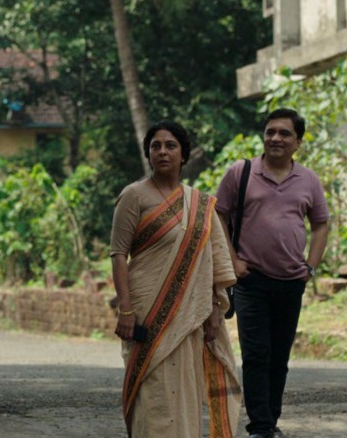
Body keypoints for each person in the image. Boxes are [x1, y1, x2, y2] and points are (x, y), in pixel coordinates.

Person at [110, 120, 241, 438]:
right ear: (148, 154)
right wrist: (125, 309)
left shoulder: (201, 204)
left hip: (190, 315)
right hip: (146, 310)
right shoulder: (134, 196)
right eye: (156, 146)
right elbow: (118, 254)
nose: (163, 151)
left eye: (171, 145)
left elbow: (216, 261)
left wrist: (214, 308)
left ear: (183, 154)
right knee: (152, 391)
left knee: (185, 391)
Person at [216, 108, 330, 438]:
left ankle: (271, 422)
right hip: (251, 280)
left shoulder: (308, 179)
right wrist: (233, 262)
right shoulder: (241, 172)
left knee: (279, 357)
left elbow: (321, 224)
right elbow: (218, 217)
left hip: (292, 281)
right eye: (270, 132)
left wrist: (311, 265)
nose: (276, 138)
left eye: (284, 133)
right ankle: (260, 427)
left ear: (298, 142)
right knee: (255, 355)